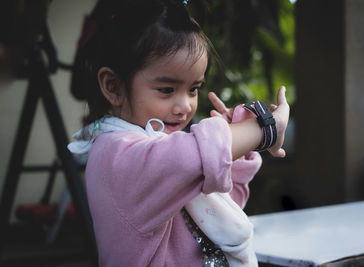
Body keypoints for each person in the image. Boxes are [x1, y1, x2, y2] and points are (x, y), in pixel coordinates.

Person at [68, 0, 289, 266]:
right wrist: (265, 128)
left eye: (193, 89)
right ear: (113, 86)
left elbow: (229, 205)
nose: (185, 106)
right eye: (166, 90)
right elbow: (188, 158)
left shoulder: (164, 145)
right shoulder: (116, 156)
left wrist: (236, 150)